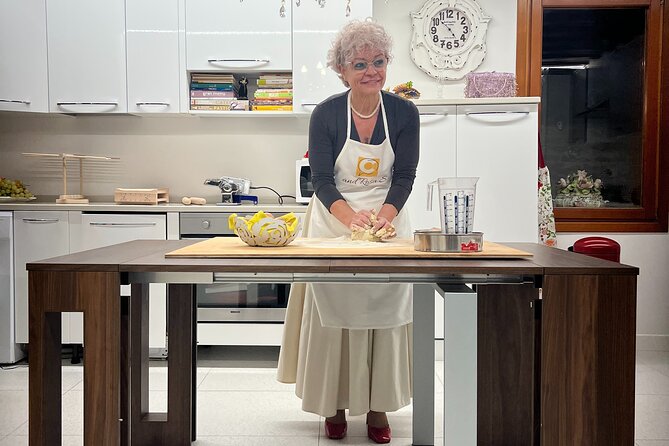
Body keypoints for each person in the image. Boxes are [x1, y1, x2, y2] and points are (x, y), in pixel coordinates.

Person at [277, 19, 419, 444]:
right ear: (342, 70)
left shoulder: (404, 113)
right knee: (331, 317)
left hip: (387, 221)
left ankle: (378, 411)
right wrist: (349, 217)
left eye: (378, 61)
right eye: (360, 63)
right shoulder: (325, 114)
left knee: (384, 314)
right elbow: (321, 179)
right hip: (332, 221)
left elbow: (406, 175)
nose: (371, 71)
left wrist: (385, 215)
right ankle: (333, 407)